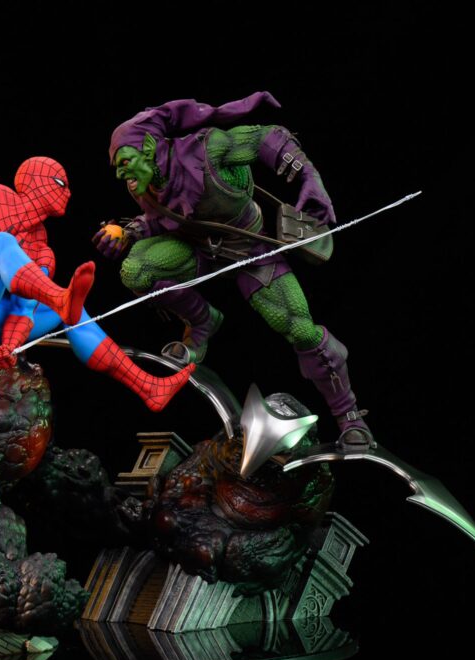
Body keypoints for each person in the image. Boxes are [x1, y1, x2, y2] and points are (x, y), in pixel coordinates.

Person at [92, 93, 372, 447]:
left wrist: (310, 179)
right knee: (137, 270)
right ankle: (202, 323)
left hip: (248, 250)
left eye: (125, 161)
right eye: (117, 167)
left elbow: (268, 137)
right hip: (197, 249)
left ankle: (349, 417)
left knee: (300, 328)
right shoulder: (144, 184)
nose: (121, 173)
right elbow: (162, 219)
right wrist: (128, 232)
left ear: (148, 148)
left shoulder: (208, 150)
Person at [0, 114, 193, 412]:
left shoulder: (41, 250)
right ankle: (60, 299)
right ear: (35, 180)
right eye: (62, 183)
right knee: (3, 245)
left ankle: (148, 386)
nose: (68, 192)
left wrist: (9, 346)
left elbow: (23, 310)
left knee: (72, 312)